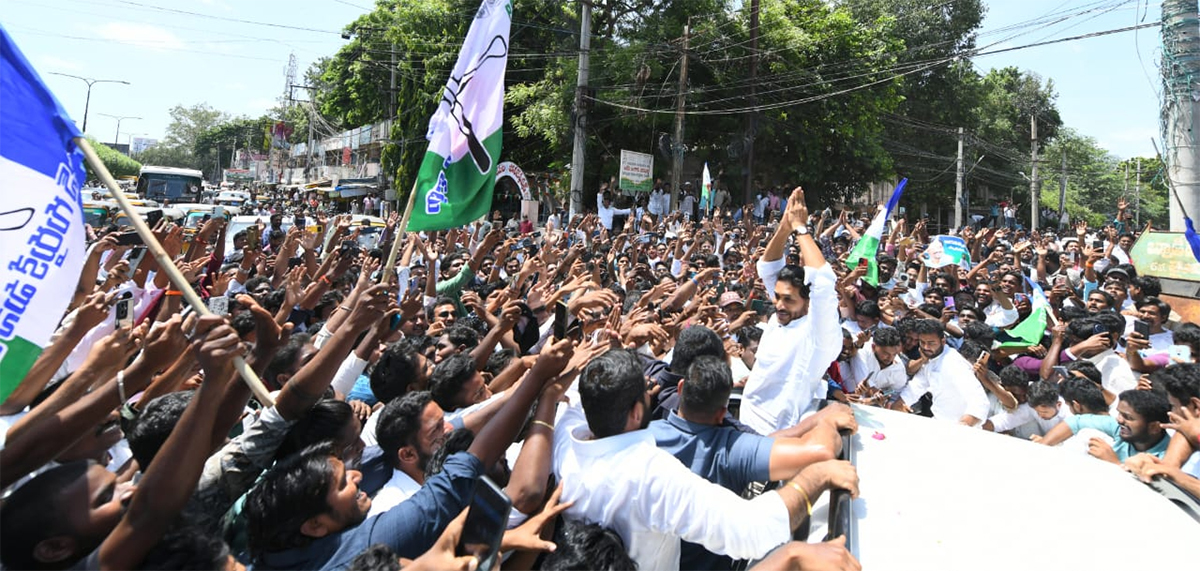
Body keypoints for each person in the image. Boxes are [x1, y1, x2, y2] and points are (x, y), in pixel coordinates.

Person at [553, 349, 859, 571]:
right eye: (646, 393)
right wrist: (816, 477)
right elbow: (751, 531)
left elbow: (573, 403)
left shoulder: (565, 442)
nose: (652, 393)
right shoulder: (651, 474)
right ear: (635, 412)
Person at [741, 187, 842, 435]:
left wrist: (800, 228)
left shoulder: (819, 334)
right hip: (746, 425)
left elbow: (823, 280)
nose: (779, 305)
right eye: (777, 297)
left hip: (781, 436)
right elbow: (766, 267)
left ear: (809, 302)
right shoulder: (779, 318)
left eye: (788, 299)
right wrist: (785, 227)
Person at [894, 319, 989, 427]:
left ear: (943, 341)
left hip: (959, 429)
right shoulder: (930, 361)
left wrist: (964, 425)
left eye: (931, 343)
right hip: (938, 423)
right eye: (922, 342)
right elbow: (915, 387)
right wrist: (899, 405)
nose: (926, 347)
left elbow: (980, 401)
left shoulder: (954, 363)